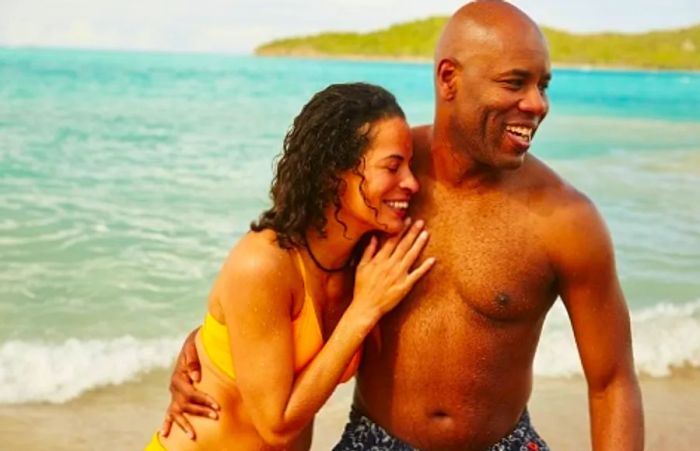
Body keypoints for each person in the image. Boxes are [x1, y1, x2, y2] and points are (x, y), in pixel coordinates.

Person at [163, 2, 645, 450]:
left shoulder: (567, 220)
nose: (537, 104)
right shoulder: (377, 184)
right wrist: (203, 352)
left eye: (543, 85)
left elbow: (613, 381)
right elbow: (283, 263)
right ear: (449, 78)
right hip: (374, 440)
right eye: (514, 83)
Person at [146, 82, 436, 450]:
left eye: (410, 166)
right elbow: (277, 425)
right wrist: (364, 310)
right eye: (392, 166)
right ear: (334, 173)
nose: (411, 183)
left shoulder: (366, 260)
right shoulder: (264, 262)